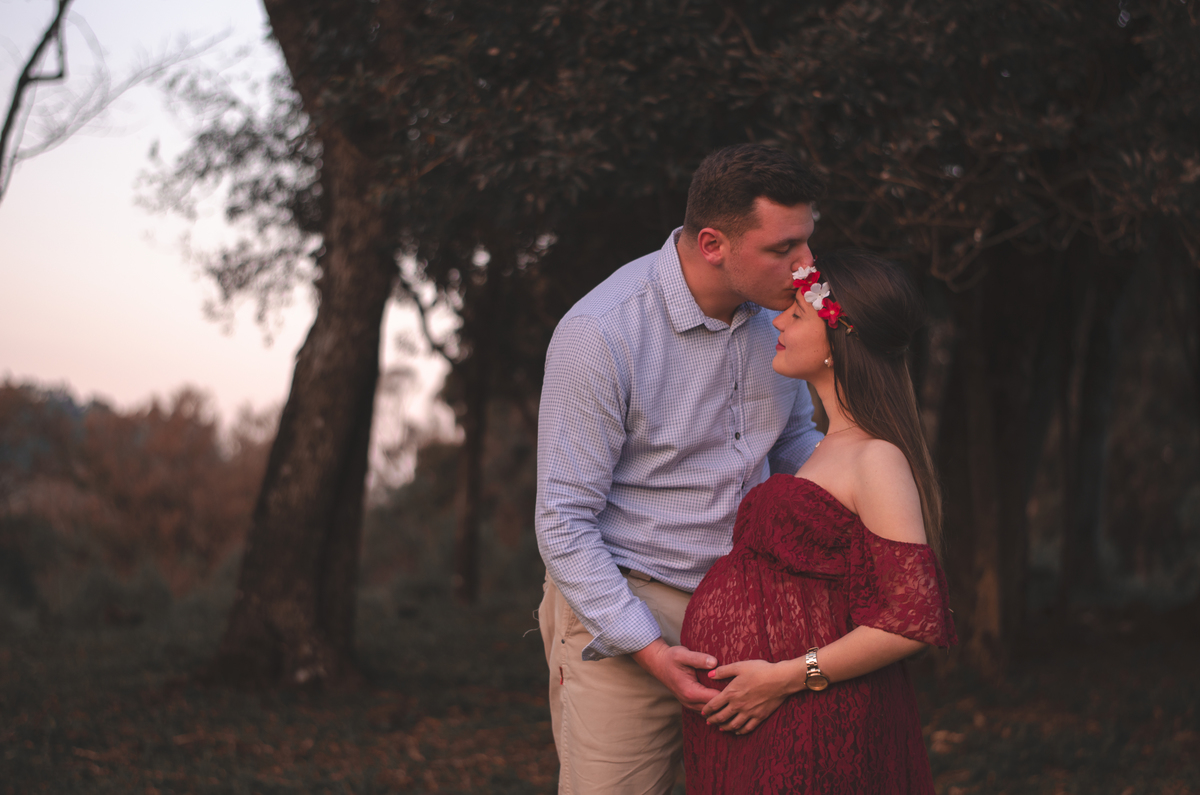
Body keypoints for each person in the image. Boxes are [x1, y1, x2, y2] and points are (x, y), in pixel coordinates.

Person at [535, 144, 827, 793]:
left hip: (754, 614)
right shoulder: (601, 332)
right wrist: (648, 647)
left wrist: (869, 485)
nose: (806, 265)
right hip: (627, 611)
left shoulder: (784, 318)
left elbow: (792, 444)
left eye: (807, 241)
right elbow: (563, 520)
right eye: (783, 248)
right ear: (714, 244)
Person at [679, 250, 958, 794]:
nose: (777, 323)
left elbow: (912, 619)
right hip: (767, 712)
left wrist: (785, 677)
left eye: (797, 314)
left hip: (812, 719)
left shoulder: (876, 458)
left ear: (839, 339)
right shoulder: (827, 447)